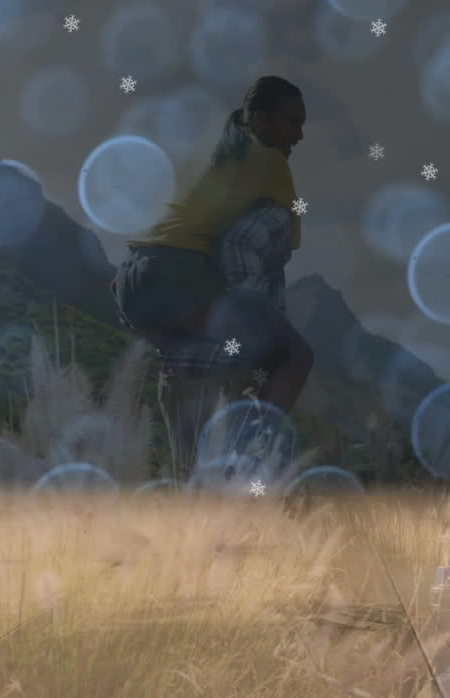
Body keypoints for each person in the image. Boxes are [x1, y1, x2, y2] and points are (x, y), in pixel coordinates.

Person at [111, 76, 314, 481]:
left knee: (200, 349)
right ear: (259, 119)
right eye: (291, 122)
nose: (300, 135)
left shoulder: (217, 151)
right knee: (296, 355)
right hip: (176, 273)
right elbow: (290, 235)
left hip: (131, 277)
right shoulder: (269, 159)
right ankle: (257, 451)